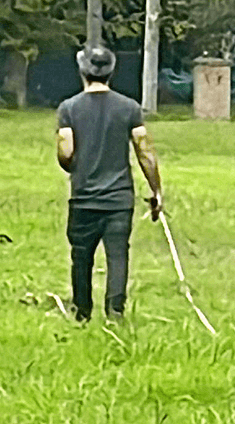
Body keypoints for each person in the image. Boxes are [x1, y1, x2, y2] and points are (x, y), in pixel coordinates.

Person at [55, 43, 162, 322]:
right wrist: (155, 189)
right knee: (118, 256)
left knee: (81, 257)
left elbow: (65, 150)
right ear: (111, 73)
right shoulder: (129, 108)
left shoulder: (69, 108)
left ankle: (81, 312)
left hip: (83, 198)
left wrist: (74, 166)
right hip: (118, 200)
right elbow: (144, 150)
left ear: (82, 72)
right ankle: (115, 311)